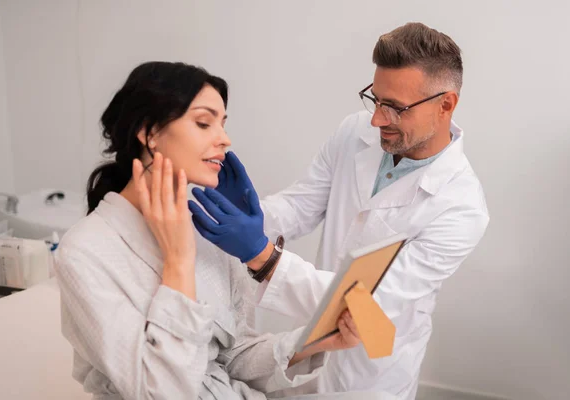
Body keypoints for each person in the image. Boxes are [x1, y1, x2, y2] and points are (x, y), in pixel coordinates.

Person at [188, 22, 490, 400]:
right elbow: (303, 204)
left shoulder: (461, 208)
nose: (378, 118)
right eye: (375, 99)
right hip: (306, 345)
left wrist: (262, 256)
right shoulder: (355, 132)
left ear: (445, 104)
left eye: (395, 107)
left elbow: (369, 302)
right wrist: (250, 216)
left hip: (370, 374)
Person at [54, 61, 362, 400]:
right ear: (149, 133)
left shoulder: (207, 229)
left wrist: (312, 341)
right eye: (204, 123)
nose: (225, 139)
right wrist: (178, 262)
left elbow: (234, 355)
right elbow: (163, 392)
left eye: (223, 123)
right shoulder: (84, 252)